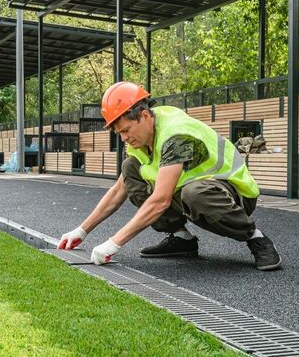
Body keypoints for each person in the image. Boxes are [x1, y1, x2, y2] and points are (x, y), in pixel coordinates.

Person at [57, 82, 282, 271]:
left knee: (194, 193)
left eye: (126, 130)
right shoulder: (141, 139)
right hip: (190, 192)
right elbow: (119, 190)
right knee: (130, 169)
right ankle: (181, 239)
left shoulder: (175, 135)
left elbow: (161, 200)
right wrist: (82, 230)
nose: (124, 138)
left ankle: (256, 238)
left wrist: (113, 244)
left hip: (232, 196)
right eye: (119, 133)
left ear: (144, 115)